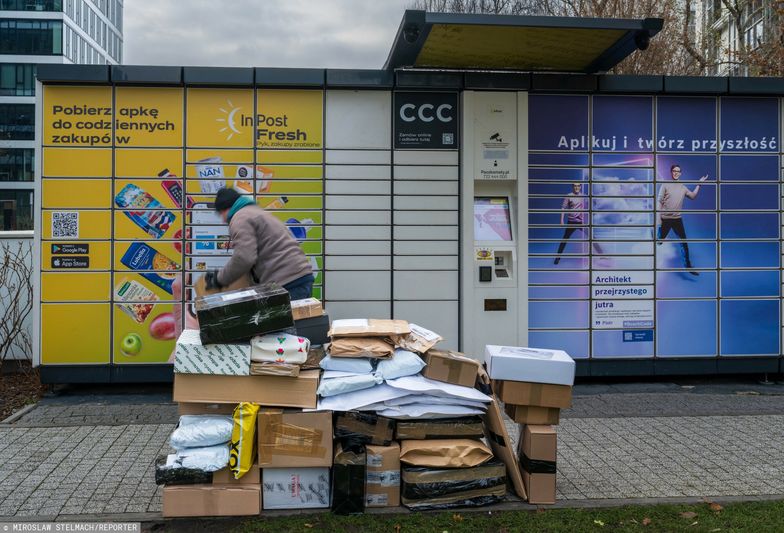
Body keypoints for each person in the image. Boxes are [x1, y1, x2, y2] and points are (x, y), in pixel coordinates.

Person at [204, 188, 314, 299]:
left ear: (226, 208)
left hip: (287, 282)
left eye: (221, 213)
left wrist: (218, 279)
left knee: (281, 316)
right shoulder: (257, 212)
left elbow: (244, 258)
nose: (223, 220)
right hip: (300, 276)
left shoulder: (239, 218)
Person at [656, 164, 708, 275]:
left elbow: (693, 196)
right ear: (671, 172)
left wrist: (699, 184)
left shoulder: (682, 187)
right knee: (659, 241)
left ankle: (688, 266)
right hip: (665, 219)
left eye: (678, 171)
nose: (676, 173)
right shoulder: (665, 185)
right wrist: (658, 221)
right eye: (674, 171)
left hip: (677, 220)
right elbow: (659, 202)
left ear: (680, 173)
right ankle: (657, 235)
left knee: (684, 243)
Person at [554, 182, 603, 265]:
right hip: (571, 222)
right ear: (573, 187)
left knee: (592, 237)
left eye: (578, 186)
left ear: (580, 187)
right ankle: (557, 258)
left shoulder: (583, 196)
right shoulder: (569, 196)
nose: (576, 188)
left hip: (581, 222)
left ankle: (602, 255)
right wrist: (561, 220)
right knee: (564, 240)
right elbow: (563, 207)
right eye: (575, 186)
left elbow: (592, 203)